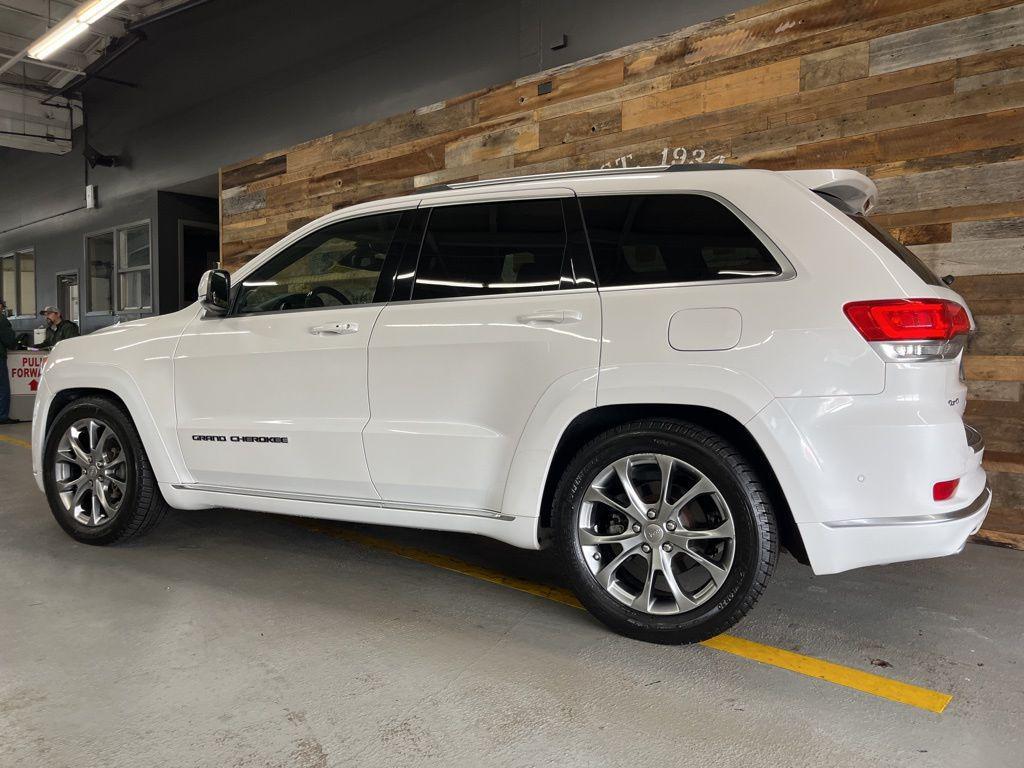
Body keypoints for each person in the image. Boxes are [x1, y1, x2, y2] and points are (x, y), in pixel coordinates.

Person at [0, 297, 19, 424]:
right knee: (3, 387)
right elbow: (9, 339)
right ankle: (2, 416)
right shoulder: (1, 319)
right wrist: (14, 344)